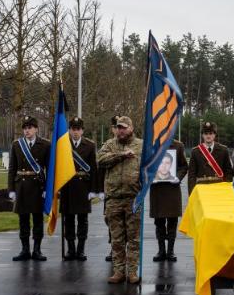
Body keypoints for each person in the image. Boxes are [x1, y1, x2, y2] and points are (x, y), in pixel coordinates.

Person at [97, 115, 144, 284]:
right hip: (114, 197)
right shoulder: (110, 144)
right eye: (119, 127)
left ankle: (132, 272)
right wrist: (121, 155)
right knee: (117, 239)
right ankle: (118, 271)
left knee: (133, 238)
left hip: (133, 198)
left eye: (124, 127)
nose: (121, 130)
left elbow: (150, 165)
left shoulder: (141, 145)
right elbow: (100, 160)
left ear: (131, 128)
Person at [8, 115, 51, 261]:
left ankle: (37, 250)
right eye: (25, 128)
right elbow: (12, 169)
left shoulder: (45, 144)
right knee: (23, 220)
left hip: (38, 186)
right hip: (21, 186)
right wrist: (11, 190)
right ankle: (25, 250)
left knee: (38, 220)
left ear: (36, 129)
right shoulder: (16, 144)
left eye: (30, 128)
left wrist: (47, 189)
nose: (27, 131)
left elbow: (49, 169)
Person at [60, 116, 98, 261]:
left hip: (83, 188)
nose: (75, 132)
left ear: (82, 130)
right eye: (73, 129)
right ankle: (71, 250)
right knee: (68, 221)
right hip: (67, 187)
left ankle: (80, 250)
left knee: (83, 221)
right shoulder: (63, 144)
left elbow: (93, 169)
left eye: (78, 129)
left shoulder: (90, 145)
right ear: (69, 130)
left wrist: (93, 190)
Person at [150, 140, 188, 262]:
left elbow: (184, 166)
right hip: (157, 189)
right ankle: (161, 251)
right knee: (159, 222)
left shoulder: (178, 146)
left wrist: (178, 177)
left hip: (172, 189)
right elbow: (145, 165)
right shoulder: (151, 144)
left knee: (172, 222)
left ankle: (170, 251)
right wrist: (149, 176)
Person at [187, 121, 233, 194]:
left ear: (215, 135)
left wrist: (226, 189)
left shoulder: (223, 150)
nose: (208, 136)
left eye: (211, 133)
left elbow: (228, 172)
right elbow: (191, 176)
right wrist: (192, 193)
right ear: (202, 135)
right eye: (206, 133)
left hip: (219, 189)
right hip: (201, 189)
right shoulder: (195, 152)